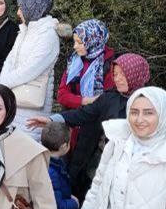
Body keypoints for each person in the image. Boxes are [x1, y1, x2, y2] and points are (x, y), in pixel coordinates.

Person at [27, 53, 151, 199]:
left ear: (134, 74)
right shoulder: (110, 97)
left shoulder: (150, 103)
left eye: (122, 74)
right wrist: (53, 119)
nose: (117, 79)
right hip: (99, 161)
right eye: (115, 74)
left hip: (132, 170)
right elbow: (84, 113)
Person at [0, 0, 59, 138]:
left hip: (31, 108)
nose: (19, 13)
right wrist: (2, 83)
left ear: (32, 8)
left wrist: (4, 83)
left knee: (26, 149)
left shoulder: (48, 35)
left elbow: (31, 69)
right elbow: (11, 59)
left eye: (22, 8)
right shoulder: (25, 30)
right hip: (14, 101)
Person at [57, 19, 113, 111]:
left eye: (80, 42)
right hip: (74, 119)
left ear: (93, 41)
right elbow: (62, 95)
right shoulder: (74, 60)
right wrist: (84, 101)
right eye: (74, 42)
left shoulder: (109, 63)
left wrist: (74, 100)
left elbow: (108, 100)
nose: (75, 46)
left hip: (99, 121)